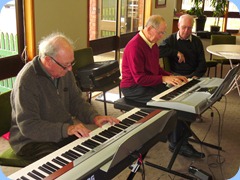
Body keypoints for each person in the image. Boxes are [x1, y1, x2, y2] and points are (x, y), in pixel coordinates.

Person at [9, 32, 119, 163]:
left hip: (60, 130)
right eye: (66, 65)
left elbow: (76, 101)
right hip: (30, 141)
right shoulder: (27, 81)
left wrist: (94, 117)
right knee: (63, 164)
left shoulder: (64, 71)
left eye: (71, 63)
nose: (70, 69)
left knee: (92, 151)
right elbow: (28, 126)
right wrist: (66, 129)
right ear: (48, 60)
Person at [120, 15, 205, 158]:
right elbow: (140, 78)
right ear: (149, 29)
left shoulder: (151, 43)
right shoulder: (136, 46)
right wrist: (164, 78)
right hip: (133, 88)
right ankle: (176, 142)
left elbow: (156, 69)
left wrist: (172, 76)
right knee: (173, 104)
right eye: (160, 32)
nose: (161, 36)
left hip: (147, 83)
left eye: (163, 33)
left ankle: (179, 138)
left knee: (181, 95)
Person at [159, 14, 207, 79]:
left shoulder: (197, 41)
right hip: (177, 75)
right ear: (178, 25)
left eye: (189, 28)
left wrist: (196, 75)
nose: (186, 31)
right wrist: (176, 52)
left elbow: (202, 63)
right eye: (184, 27)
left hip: (194, 75)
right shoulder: (171, 40)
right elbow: (158, 51)